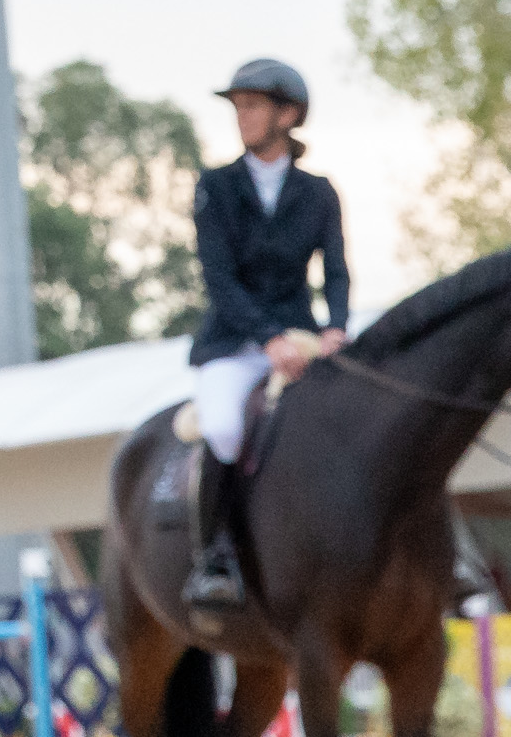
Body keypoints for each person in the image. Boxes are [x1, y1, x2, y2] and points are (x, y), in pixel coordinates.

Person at [180, 56, 350, 614]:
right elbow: (219, 280)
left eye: (251, 106)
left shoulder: (319, 193)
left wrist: (336, 329)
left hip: (302, 344)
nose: (242, 117)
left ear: (288, 114)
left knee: (361, 416)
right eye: (238, 107)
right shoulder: (216, 188)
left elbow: (337, 272)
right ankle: (217, 556)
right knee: (226, 428)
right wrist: (270, 337)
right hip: (233, 344)